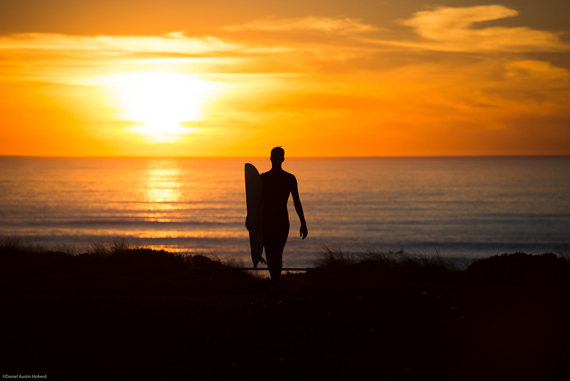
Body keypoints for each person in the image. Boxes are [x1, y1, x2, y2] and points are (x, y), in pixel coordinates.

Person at [260, 147, 308, 288]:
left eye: (277, 158)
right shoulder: (263, 178)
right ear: (270, 159)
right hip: (266, 221)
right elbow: (255, 201)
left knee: (278, 254)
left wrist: (303, 223)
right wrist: (250, 218)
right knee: (269, 253)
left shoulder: (289, 179)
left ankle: (275, 283)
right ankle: (275, 282)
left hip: (282, 221)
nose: (275, 160)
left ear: (282, 159)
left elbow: (296, 201)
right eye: (273, 157)